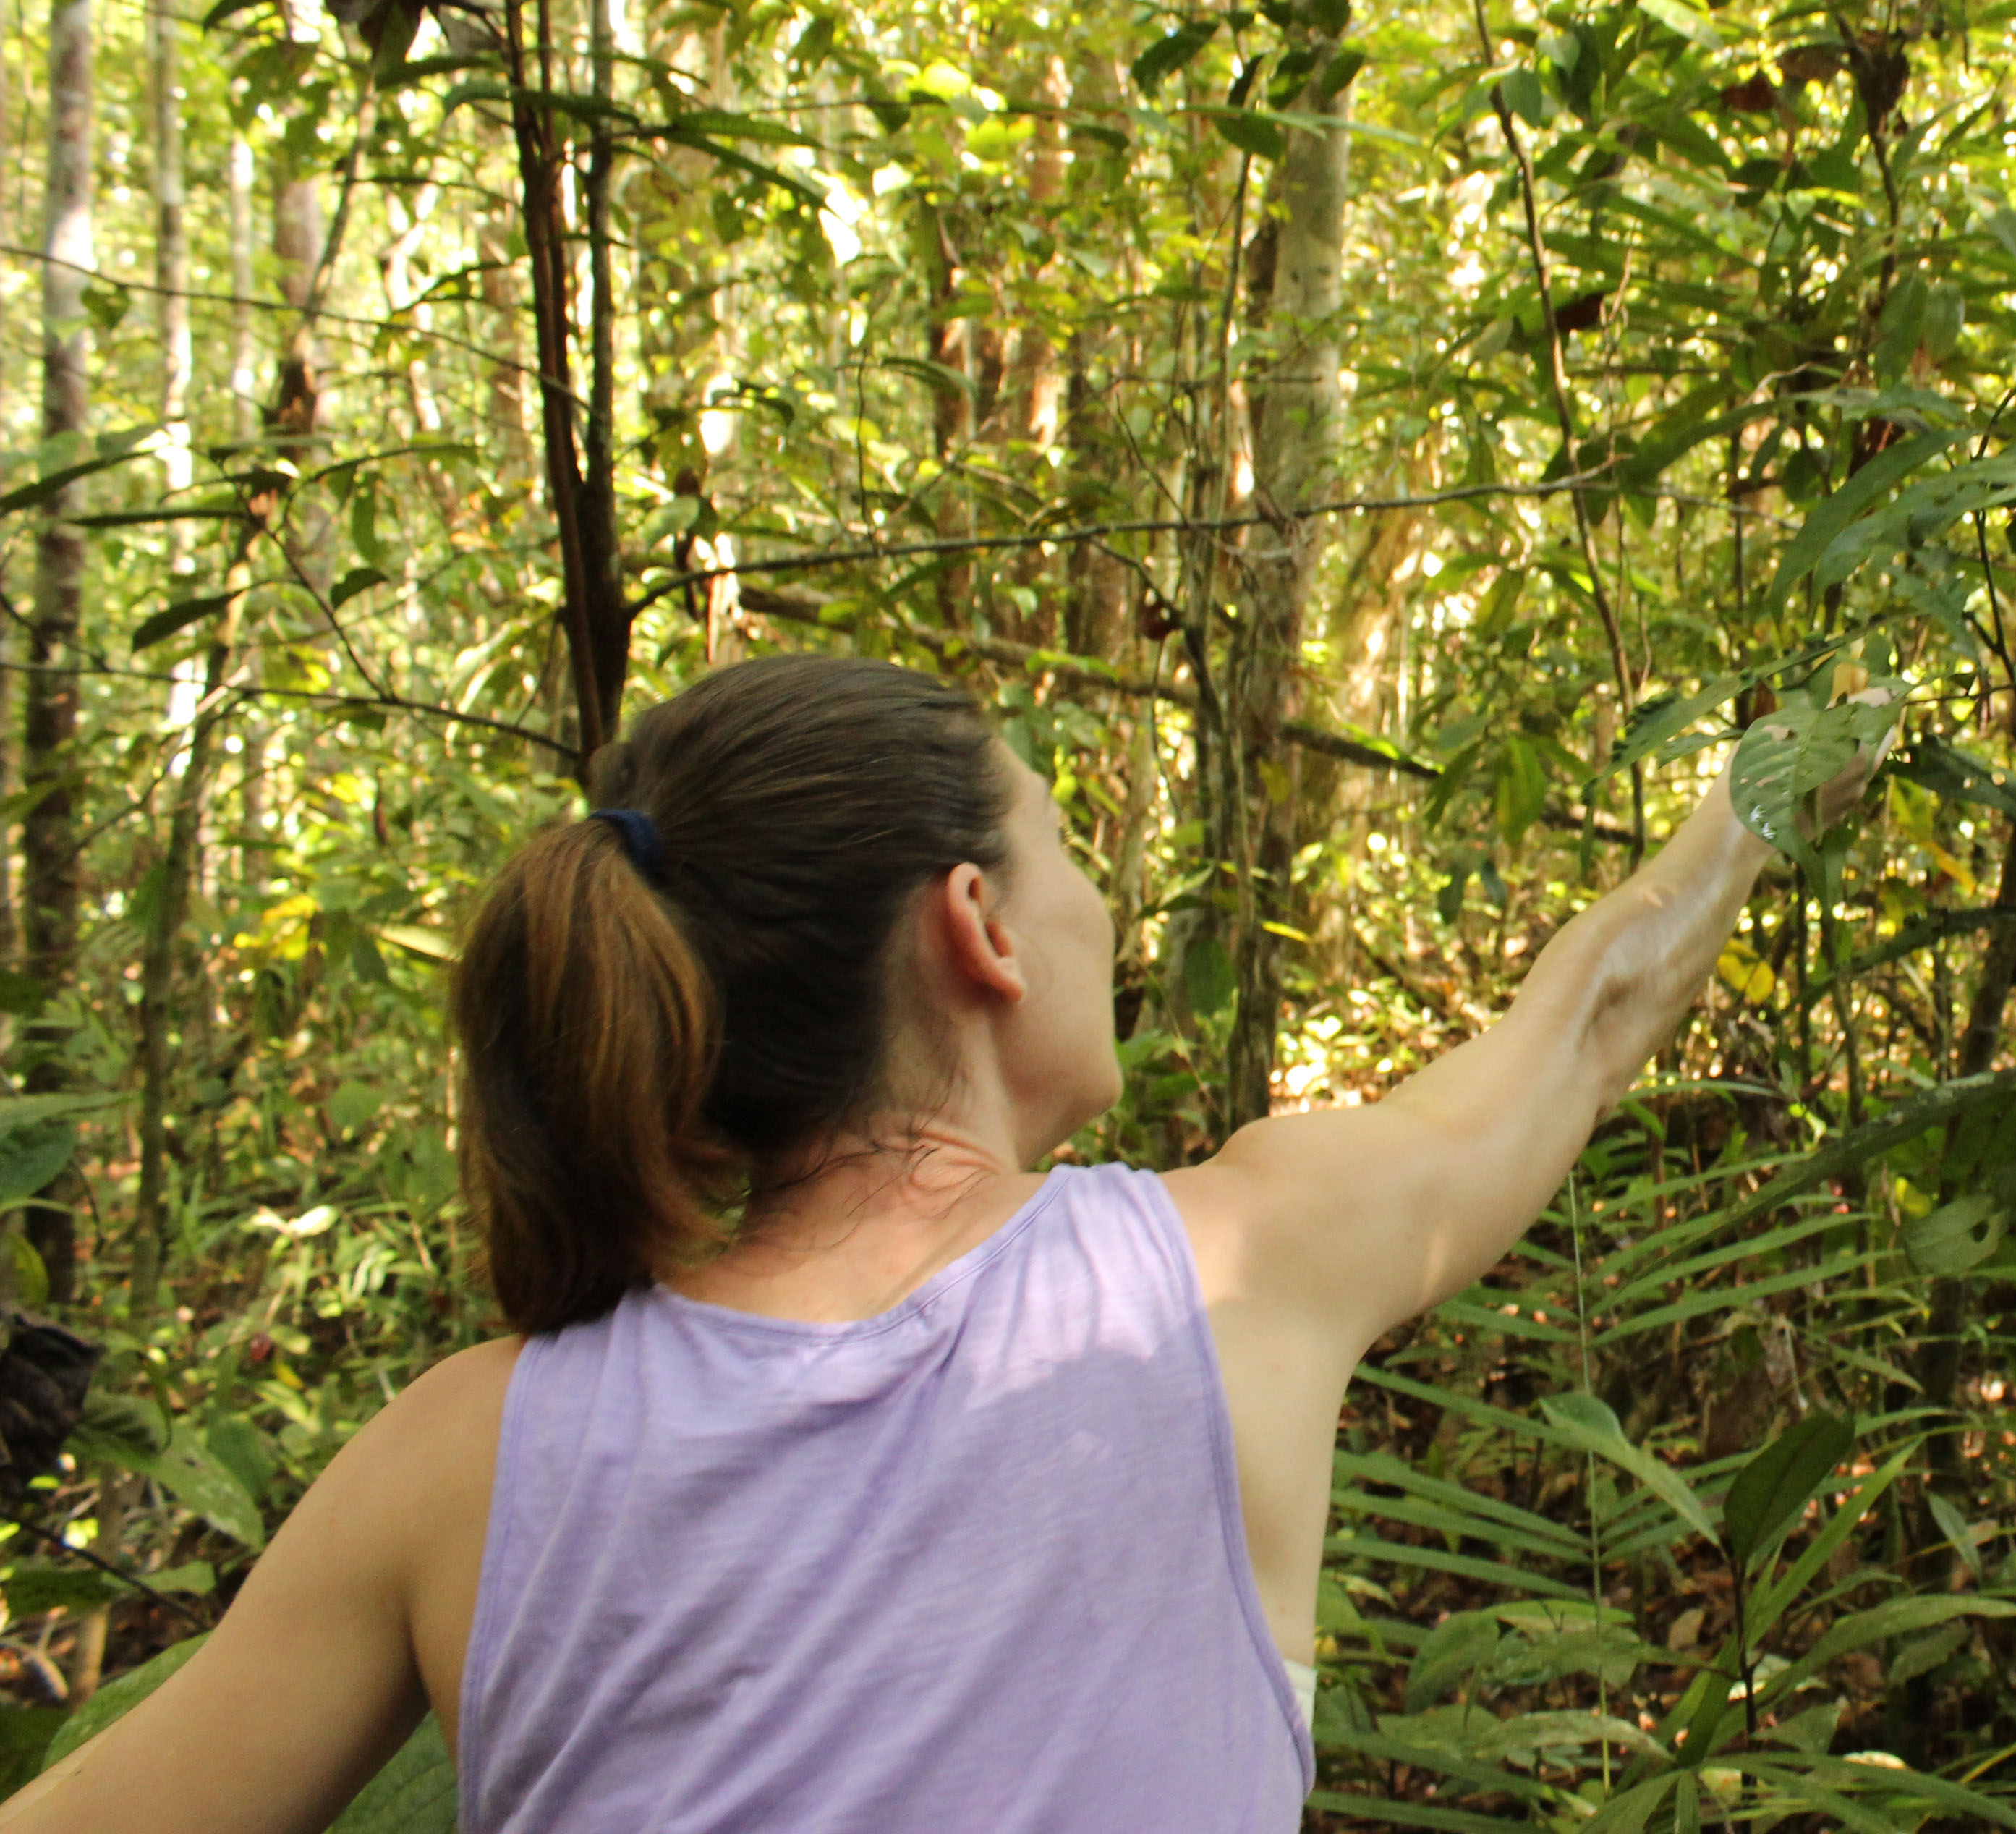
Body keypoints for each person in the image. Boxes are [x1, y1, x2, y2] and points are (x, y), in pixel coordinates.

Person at [0, 654, 1881, 1834]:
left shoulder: (461, 1458)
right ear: (978, 928)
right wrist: (1791, 772)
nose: (1102, 907)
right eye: (1069, 857)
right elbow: (1593, 1017)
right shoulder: (1232, 1278)